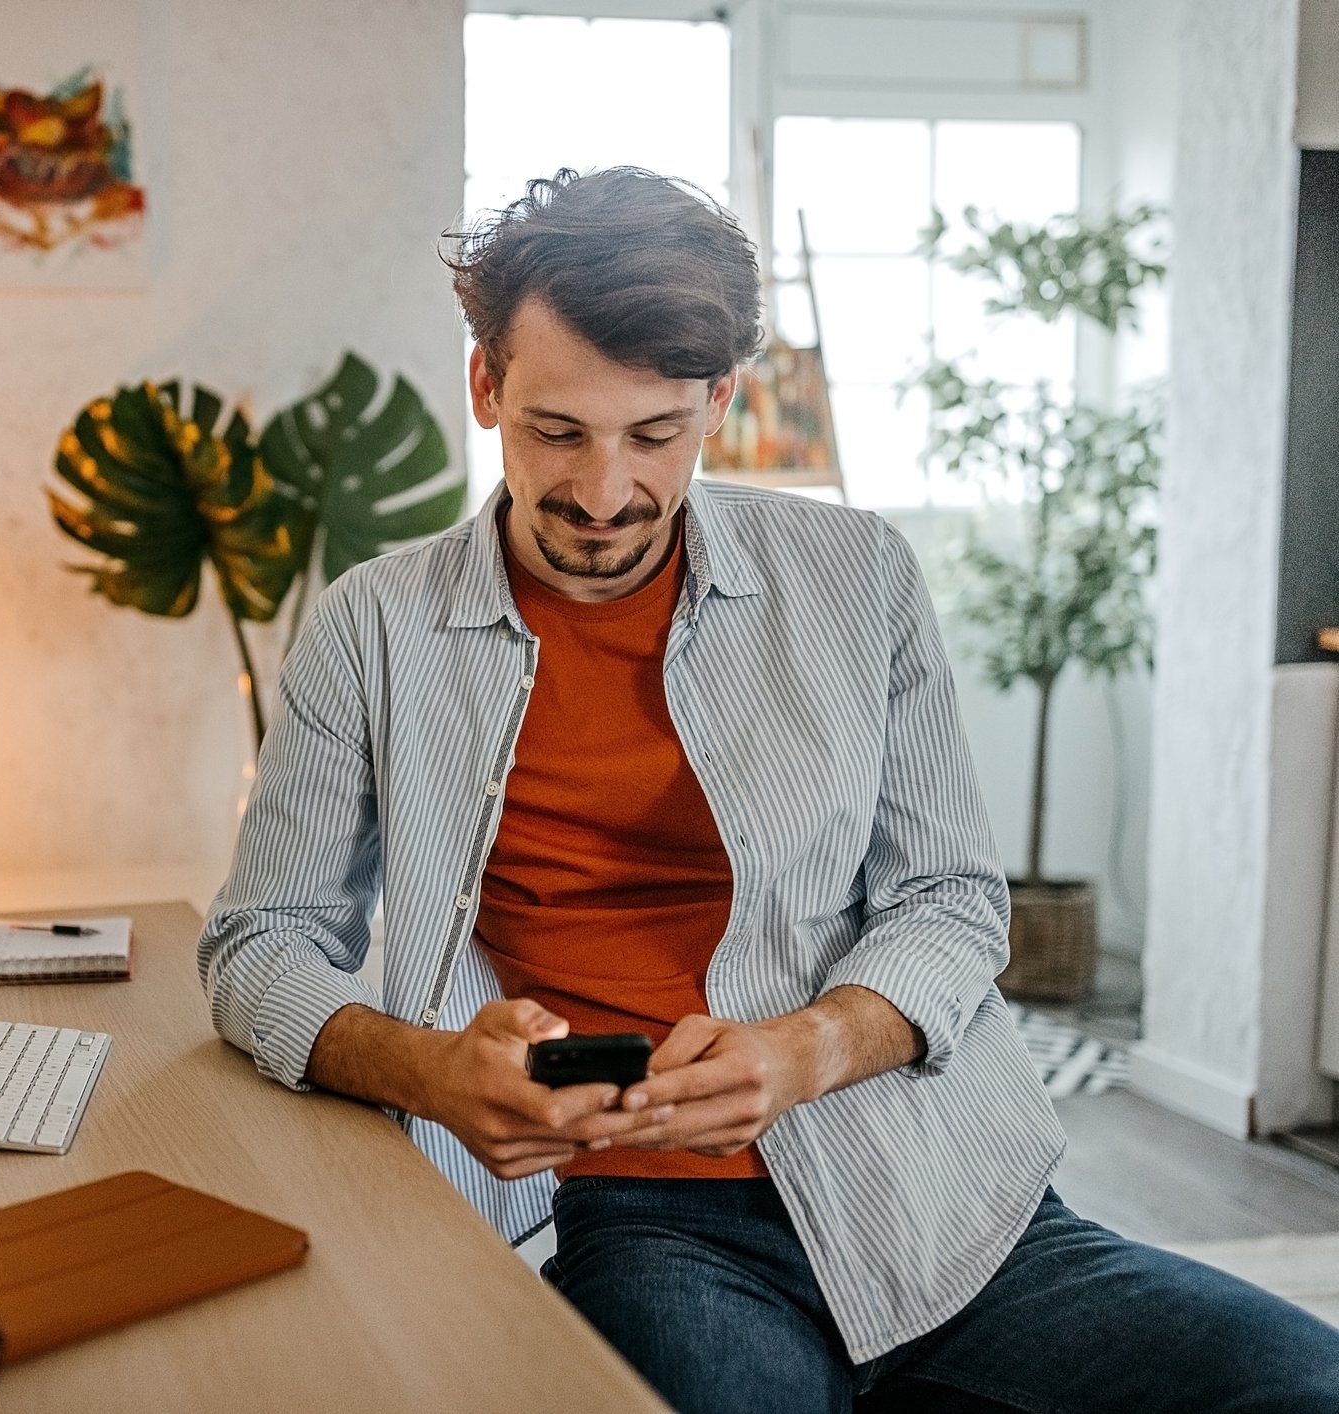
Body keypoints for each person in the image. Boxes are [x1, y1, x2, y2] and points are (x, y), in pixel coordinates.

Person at [197, 167, 1339, 1412]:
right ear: (485, 386)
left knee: (1296, 1381)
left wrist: (808, 1047)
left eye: (653, 434)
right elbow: (260, 943)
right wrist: (424, 1069)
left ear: (717, 403)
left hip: (924, 1179)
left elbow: (951, 901)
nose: (602, 493)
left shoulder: (856, 578)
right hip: (632, 1206)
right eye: (556, 431)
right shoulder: (371, 627)